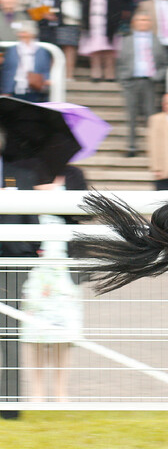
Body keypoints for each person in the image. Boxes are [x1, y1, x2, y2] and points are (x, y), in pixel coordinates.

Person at [21, 173, 86, 403]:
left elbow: (86, 210)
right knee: (35, 332)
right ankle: (37, 392)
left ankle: (60, 391)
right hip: (34, 267)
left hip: (64, 267)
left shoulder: (74, 175)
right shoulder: (24, 173)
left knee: (62, 333)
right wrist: (37, 189)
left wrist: (59, 193)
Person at [0, 126, 39, 420]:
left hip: (12, 268)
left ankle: (9, 406)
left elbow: (33, 230)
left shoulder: (21, 176)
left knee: (9, 336)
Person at [116, 12, 168, 158]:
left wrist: (158, 76)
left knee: (151, 116)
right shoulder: (126, 40)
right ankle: (131, 146)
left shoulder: (157, 41)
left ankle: (154, 146)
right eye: (140, 19)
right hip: (131, 81)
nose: (143, 22)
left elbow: (164, 63)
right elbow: (120, 63)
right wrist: (123, 80)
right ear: (134, 22)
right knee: (131, 116)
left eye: (146, 19)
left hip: (150, 82)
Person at [79, 0, 128, 83]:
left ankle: (109, 72)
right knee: (95, 41)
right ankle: (96, 71)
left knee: (109, 43)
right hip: (93, 9)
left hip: (111, 10)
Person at [39, 0, 84, 79]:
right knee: (53, 46)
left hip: (70, 13)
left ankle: (69, 75)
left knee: (69, 45)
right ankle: (53, 76)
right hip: (51, 12)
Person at [0, 21, 52, 102]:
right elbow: (7, 71)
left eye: (24, 32)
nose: (22, 35)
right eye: (20, 33)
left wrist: (46, 80)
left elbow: (45, 68)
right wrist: (5, 91)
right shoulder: (12, 50)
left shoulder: (41, 50)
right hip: (15, 87)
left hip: (34, 88)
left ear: (31, 34)